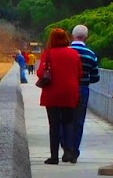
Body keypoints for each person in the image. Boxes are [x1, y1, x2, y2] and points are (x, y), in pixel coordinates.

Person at [35, 27, 84, 165]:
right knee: (69, 122)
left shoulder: (48, 54)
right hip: (70, 92)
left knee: (54, 125)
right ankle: (69, 151)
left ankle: (54, 156)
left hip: (52, 93)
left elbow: (40, 73)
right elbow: (80, 73)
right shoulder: (74, 54)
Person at [68, 25, 101, 161]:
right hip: (82, 89)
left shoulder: (67, 51)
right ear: (86, 37)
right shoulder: (90, 54)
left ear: (72, 35)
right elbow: (96, 77)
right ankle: (75, 149)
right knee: (79, 120)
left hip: (67, 89)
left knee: (66, 119)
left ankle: (66, 148)